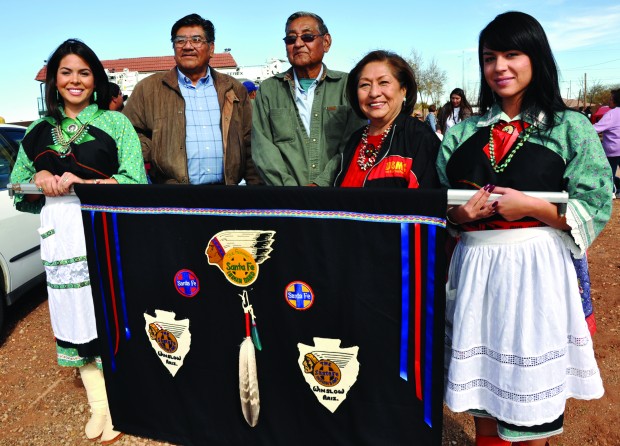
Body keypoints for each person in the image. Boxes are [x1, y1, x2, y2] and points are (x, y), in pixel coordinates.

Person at [436, 12, 612, 446]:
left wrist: (532, 206)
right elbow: (439, 204)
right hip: (475, 270)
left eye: (512, 54)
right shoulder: (461, 134)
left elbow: (595, 200)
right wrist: (461, 217)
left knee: (532, 405)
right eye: (489, 57)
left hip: (537, 270)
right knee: (483, 402)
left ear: (536, 58)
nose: (500, 67)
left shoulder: (570, 128)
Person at [10, 39, 148, 444]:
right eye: (66, 72)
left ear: (96, 80)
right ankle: (99, 405)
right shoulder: (36, 133)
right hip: (60, 232)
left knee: (109, 308)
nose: (75, 80)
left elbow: (135, 181)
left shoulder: (115, 123)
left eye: (84, 73)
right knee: (73, 313)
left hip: (103, 227)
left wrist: (85, 182)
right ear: (54, 79)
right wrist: (37, 180)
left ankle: (124, 402)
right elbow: (20, 191)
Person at [123, 13, 261, 185]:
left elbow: (250, 142)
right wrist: (154, 151)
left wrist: (255, 189)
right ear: (173, 48)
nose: (187, 46)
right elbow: (128, 133)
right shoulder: (149, 89)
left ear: (211, 48)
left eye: (196, 40)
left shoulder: (233, 89)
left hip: (227, 194)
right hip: (172, 197)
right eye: (180, 41)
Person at [251, 11, 366, 186]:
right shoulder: (268, 90)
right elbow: (263, 149)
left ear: (326, 42)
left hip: (336, 198)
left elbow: (353, 144)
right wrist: (293, 193)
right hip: (286, 202)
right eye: (291, 39)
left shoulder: (347, 86)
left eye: (307, 37)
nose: (298, 44)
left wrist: (321, 184)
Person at [334, 50, 439, 188]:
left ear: (403, 89)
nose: (374, 93)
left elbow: (427, 202)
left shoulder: (419, 137)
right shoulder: (355, 139)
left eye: (383, 82)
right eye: (365, 85)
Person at [593, 89, 620, 196]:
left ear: (615, 101)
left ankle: (612, 191)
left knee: (609, 172)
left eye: (610, 99)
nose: (609, 101)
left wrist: (584, 128)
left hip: (613, 149)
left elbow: (596, 128)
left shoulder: (612, 114)